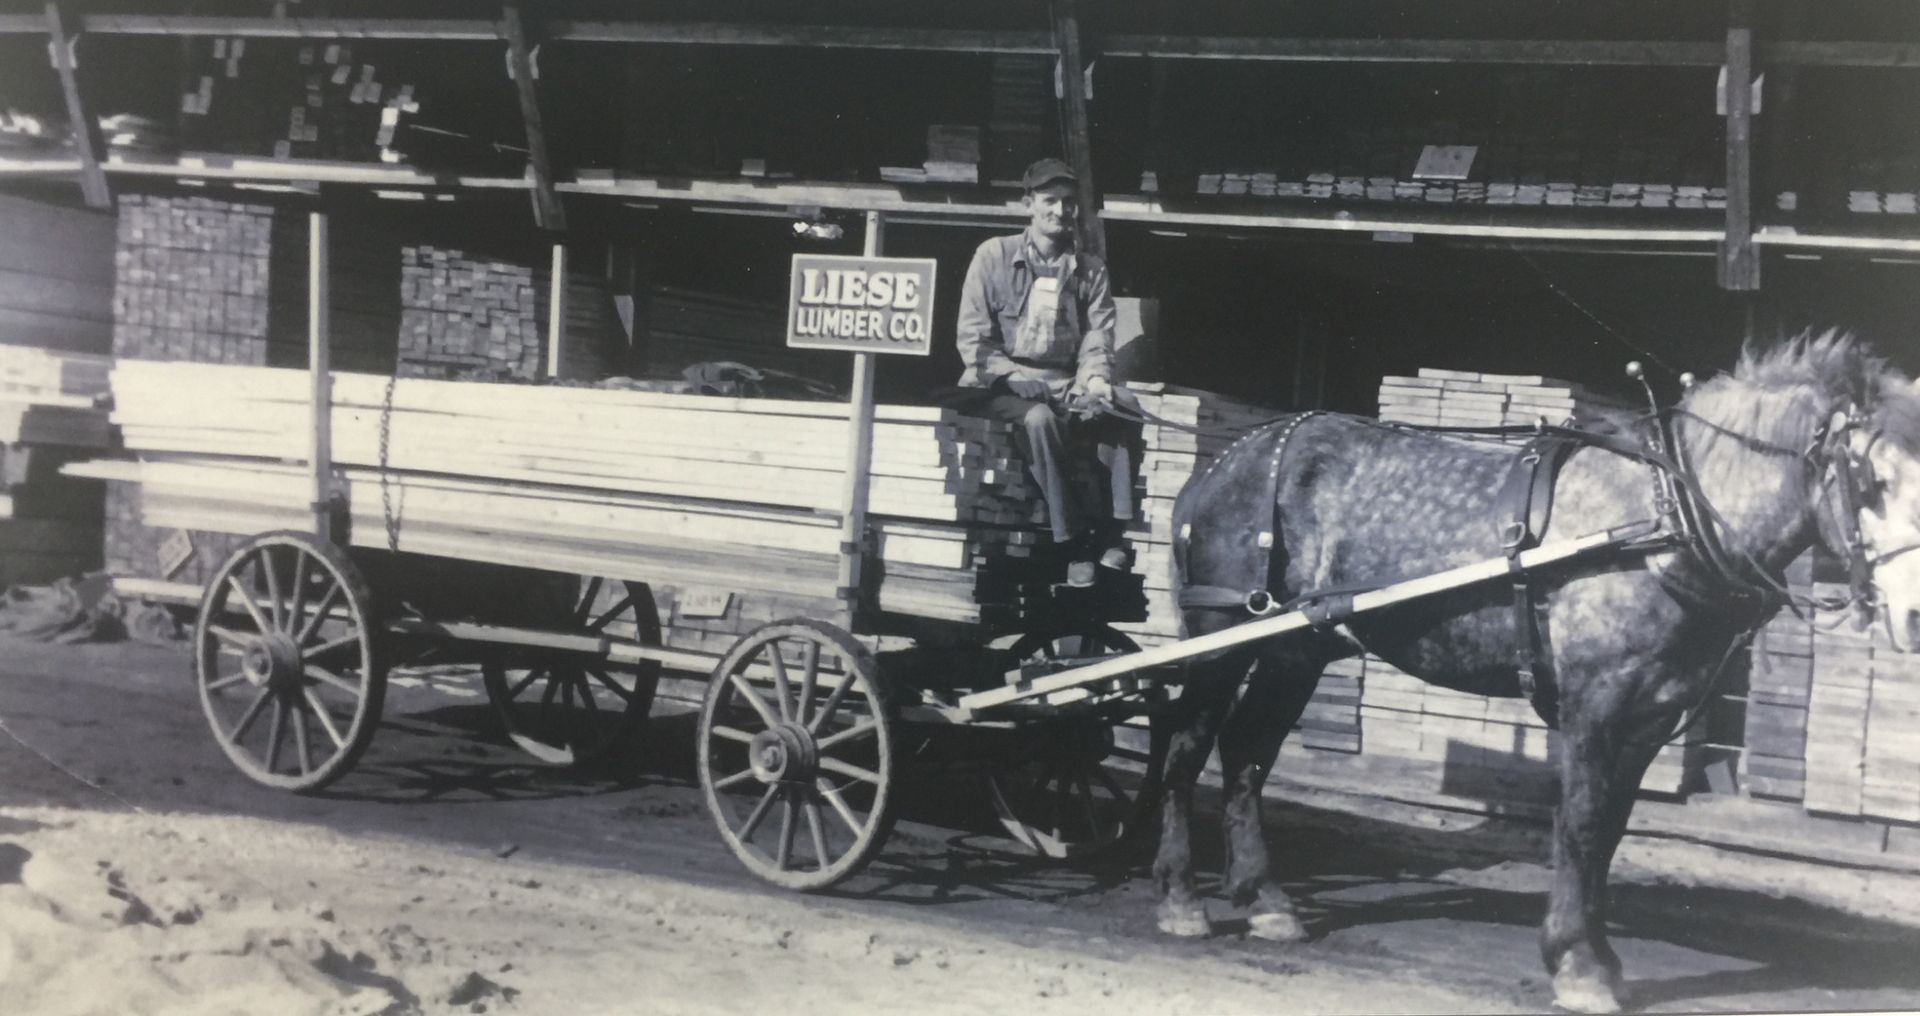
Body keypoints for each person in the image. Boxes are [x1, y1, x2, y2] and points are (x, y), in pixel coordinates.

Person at [948, 157, 1135, 588]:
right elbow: (973, 339)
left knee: (1124, 406)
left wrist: (1096, 379)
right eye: (1049, 200)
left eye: (1069, 203)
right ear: (1028, 203)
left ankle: (1113, 534)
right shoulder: (993, 256)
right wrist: (1012, 377)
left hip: (1062, 381)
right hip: (996, 384)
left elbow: (1097, 337)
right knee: (1039, 419)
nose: (1060, 211)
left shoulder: (1090, 271)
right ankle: (1071, 544)